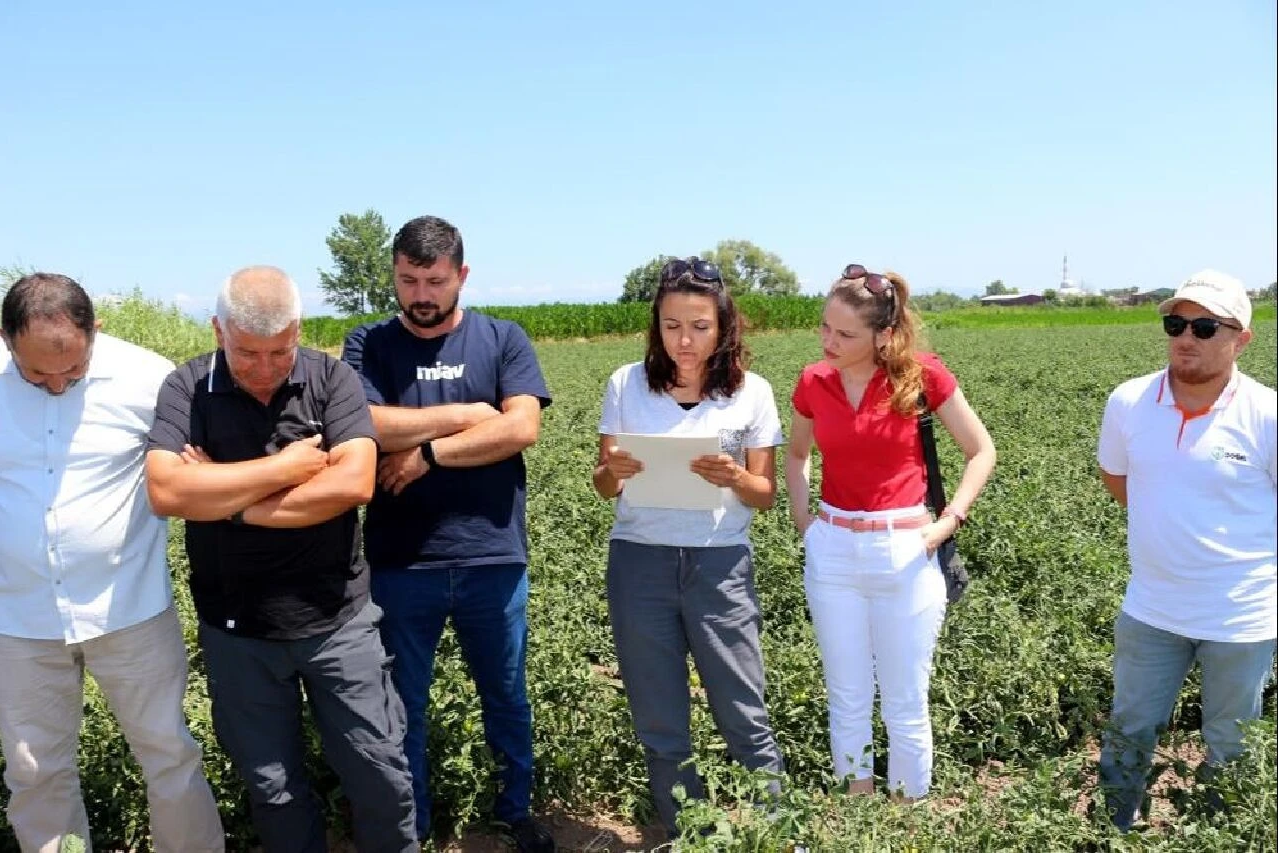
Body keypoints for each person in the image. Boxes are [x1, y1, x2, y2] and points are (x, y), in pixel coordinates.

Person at [143, 266, 417, 853]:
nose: (265, 369)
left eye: (279, 351)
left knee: (380, 775)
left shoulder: (332, 379)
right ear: (218, 331)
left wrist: (224, 496)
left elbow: (352, 485)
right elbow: (167, 493)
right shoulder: (186, 388)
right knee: (273, 789)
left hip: (338, 622)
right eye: (248, 353)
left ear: (299, 329)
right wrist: (285, 470)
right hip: (238, 630)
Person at [341, 216, 555, 852]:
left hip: (492, 555)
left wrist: (428, 452)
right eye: (408, 280)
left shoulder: (503, 339)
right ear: (394, 276)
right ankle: (414, 824)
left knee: (507, 695)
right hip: (401, 561)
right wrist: (466, 417)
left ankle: (514, 812)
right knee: (401, 706)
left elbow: (519, 430)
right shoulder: (367, 345)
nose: (421, 294)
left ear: (462, 275)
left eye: (434, 280)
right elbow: (367, 423)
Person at [0, 273, 224, 853]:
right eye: (35, 373)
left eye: (72, 369)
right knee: (33, 771)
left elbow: (198, 463)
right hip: (16, 619)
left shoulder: (148, 377)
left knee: (169, 754)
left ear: (96, 330)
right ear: (5, 338)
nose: (55, 383)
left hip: (130, 609)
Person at [591, 256, 786, 836]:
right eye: (672, 324)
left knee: (742, 708)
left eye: (699, 326)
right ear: (657, 324)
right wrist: (614, 470)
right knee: (659, 716)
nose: (685, 339)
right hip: (640, 563)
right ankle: (689, 835)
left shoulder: (753, 393)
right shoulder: (626, 384)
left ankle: (778, 831)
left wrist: (734, 479)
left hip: (718, 564)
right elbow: (604, 486)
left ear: (723, 326)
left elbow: (766, 494)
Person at [786, 264, 995, 801]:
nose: (829, 341)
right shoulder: (814, 382)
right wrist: (804, 520)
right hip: (833, 550)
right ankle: (858, 811)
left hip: (905, 549)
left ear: (884, 335)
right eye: (825, 328)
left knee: (905, 699)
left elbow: (981, 451)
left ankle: (907, 813)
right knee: (847, 695)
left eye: (845, 334)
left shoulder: (923, 376)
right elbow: (797, 454)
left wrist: (950, 520)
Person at [1096, 269, 1276, 830]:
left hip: (1243, 616)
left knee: (1230, 739)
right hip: (1152, 608)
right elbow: (1119, 480)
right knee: (1130, 725)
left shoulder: (1268, 414)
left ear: (1241, 338)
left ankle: (1220, 836)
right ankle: (1113, 831)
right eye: (1177, 323)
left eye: (1205, 326)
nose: (1186, 337)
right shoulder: (1129, 401)